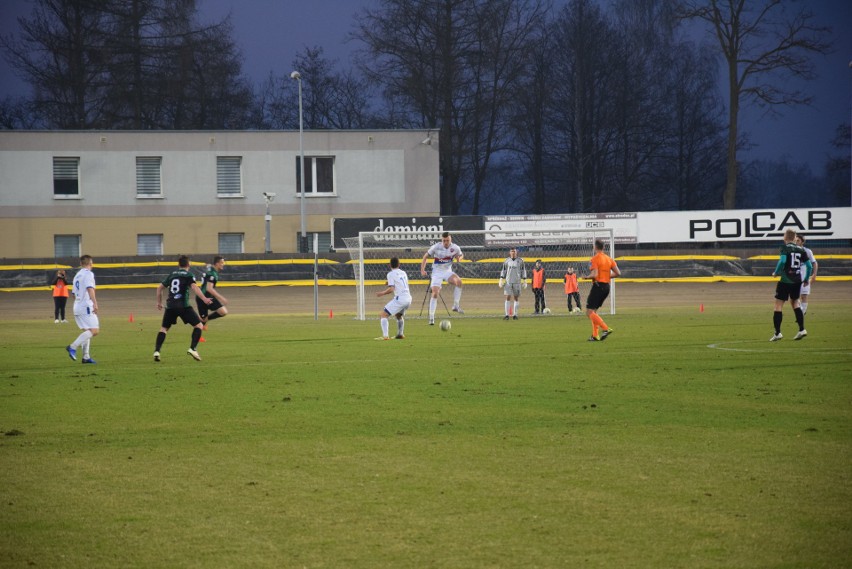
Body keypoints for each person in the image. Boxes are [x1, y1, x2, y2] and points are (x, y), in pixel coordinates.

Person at [154, 255, 213, 361]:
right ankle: (193, 348)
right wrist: (204, 299)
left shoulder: (172, 274)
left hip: (170, 306)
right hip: (183, 306)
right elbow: (194, 287)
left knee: (164, 329)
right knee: (199, 325)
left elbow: (159, 288)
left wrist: (159, 302)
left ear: (178, 264)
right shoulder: (189, 275)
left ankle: (157, 351)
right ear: (188, 264)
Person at [770, 229, 812, 342]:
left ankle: (777, 333)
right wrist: (806, 279)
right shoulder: (801, 250)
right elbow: (810, 266)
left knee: (778, 305)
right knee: (795, 303)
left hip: (785, 280)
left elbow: (782, 261)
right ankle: (802, 329)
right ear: (794, 238)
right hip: (797, 281)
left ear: (785, 237)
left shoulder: (784, 248)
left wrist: (776, 272)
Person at [420, 231, 464, 325]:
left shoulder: (455, 247)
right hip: (437, 272)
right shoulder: (436, 247)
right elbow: (425, 256)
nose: (446, 242)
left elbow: (460, 255)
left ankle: (456, 306)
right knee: (435, 293)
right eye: (444, 240)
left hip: (447, 271)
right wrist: (422, 270)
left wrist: (459, 258)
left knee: (459, 282)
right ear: (442, 240)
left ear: (450, 239)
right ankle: (431, 318)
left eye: (447, 240)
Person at [65, 255, 99, 364]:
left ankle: (86, 357)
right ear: (90, 263)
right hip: (86, 306)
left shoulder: (77, 275)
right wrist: (94, 303)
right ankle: (72, 347)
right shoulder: (88, 274)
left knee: (87, 331)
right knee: (94, 331)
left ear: (81, 263)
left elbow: (74, 294)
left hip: (77, 305)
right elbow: (90, 289)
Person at [585, 239, 620, 342]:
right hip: (606, 287)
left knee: (589, 312)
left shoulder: (595, 259)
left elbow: (595, 275)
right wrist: (606, 276)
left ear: (595, 247)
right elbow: (618, 273)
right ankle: (595, 335)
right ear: (603, 247)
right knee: (594, 312)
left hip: (598, 286)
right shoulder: (609, 259)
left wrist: (587, 277)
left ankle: (605, 328)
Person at [375, 257, 412, 340]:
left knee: (383, 315)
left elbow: (391, 289)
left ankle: (385, 336)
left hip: (400, 299)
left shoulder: (390, 274)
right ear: (399, 264)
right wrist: (389, 282)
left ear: (389, 265)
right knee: (398, 315)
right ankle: (400, 334)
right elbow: (400, 282)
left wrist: (382, 293)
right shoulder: (403, 273)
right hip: (408, 298)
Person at [197, 256, 229, 327]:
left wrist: (208, 265)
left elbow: (209, 266)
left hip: (206, 296)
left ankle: (201, 322)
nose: (223, 264)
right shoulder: (213, 274)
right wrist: (221, 298)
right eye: (222, 263)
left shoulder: (211, 269)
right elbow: (209, 288)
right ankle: (198, 325)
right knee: (203, 320)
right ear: (217, 264)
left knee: (223, 312)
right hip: (203, 297)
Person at [499, 247, 526, 319]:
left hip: (517, 282)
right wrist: (501, 279)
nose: (513, 253)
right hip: (508, 282)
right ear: (510, 252)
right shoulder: (506, 261)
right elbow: (504, 270)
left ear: (516, 252)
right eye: (512, 251)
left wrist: (524, 280)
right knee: (507, 297)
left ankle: (515, 315)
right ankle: (507, 315)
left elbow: (523, 270)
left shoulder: (520, 261)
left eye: (514, 251)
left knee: (516, 298)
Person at [795, 235, 817, 314]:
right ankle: (800, 310)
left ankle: (802, 312)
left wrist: (814, 275)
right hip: (794, 276)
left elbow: (814, 263)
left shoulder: (807, 251)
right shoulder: (792, 251)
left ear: (802, 242)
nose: (796, 242)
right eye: (795, 240)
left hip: (805, 276)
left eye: (798, 240)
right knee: (795, 296)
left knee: (804, 295)